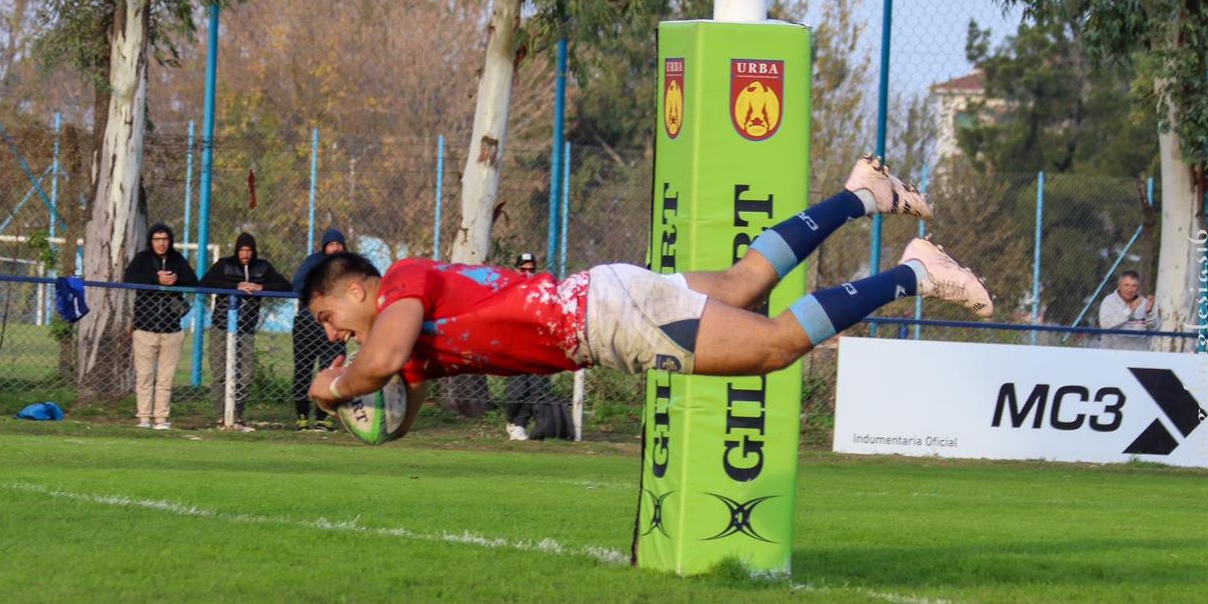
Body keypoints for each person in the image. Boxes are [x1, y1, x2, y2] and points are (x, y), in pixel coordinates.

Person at [301, 156, 992, 441]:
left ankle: (914, 273)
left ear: (359, 288)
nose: (334, 334)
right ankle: (861, 193)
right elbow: (395, 409)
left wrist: (333, 385)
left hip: (604, 320)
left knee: (775, 346)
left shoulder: (402, 287)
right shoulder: (401, 336)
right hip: (601, 297)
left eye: (330, 319)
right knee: (742, 283)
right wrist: (361, 403)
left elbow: (380, 356)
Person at [200, 232, 291, 430]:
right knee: (220, 373)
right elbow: (205, 283)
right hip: (222, 326)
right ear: (236, 250)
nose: (245, 254)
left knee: (245, 374)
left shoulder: (262, 267)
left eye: (249, 250)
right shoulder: (224, 265)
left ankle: (237, 415)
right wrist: (236, 286)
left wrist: (261, 287)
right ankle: (220, 416)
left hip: (246, 329)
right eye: (242, 250)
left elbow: (286, 286)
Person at [123, 223, 199, 430]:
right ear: (151, 241)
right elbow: (129, 277)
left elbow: (194, 282)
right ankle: (144, 418)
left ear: (170, 241)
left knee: (166, 377)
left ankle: (161, 418)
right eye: (157, 239)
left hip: (171, 329)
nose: (161, 243)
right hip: (145, 328)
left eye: (165, 239)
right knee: (145, 376)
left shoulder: (177, 260)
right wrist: (155, 279)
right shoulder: (142, 260)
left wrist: (175, 281)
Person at [290, 228, 350, 431]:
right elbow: (298, 285)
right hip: (309, 323)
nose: (336, 248)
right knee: (303, 369)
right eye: (332, 244)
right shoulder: (313, 262)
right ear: (324, 247)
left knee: (331, 370)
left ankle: (323, 417)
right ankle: (302, 416)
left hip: (337, 324)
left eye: (339, 244)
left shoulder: (350, 265)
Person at [503, 252, 557, 441]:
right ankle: (511, 420)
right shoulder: (509, 290)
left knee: (535, 387)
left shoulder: (542, 291)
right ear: (516, 270)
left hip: (537, 344)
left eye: (531, 270)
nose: (527, 273)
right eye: (523, 269)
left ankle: (520, 425)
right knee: (517, 388)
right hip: (515, 345)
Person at [1098, 270, 1159, 350]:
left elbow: (1154, 327)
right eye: (1126, 285)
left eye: (1134, 286)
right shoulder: (1109, 301)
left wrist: (1149, 312)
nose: (1130, 289)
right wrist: (1129, 310)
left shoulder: (1144, 303)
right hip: (1112, 353)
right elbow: (1105, 325)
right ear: (1119, 285)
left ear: (1138, 288)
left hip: (1138, 354)